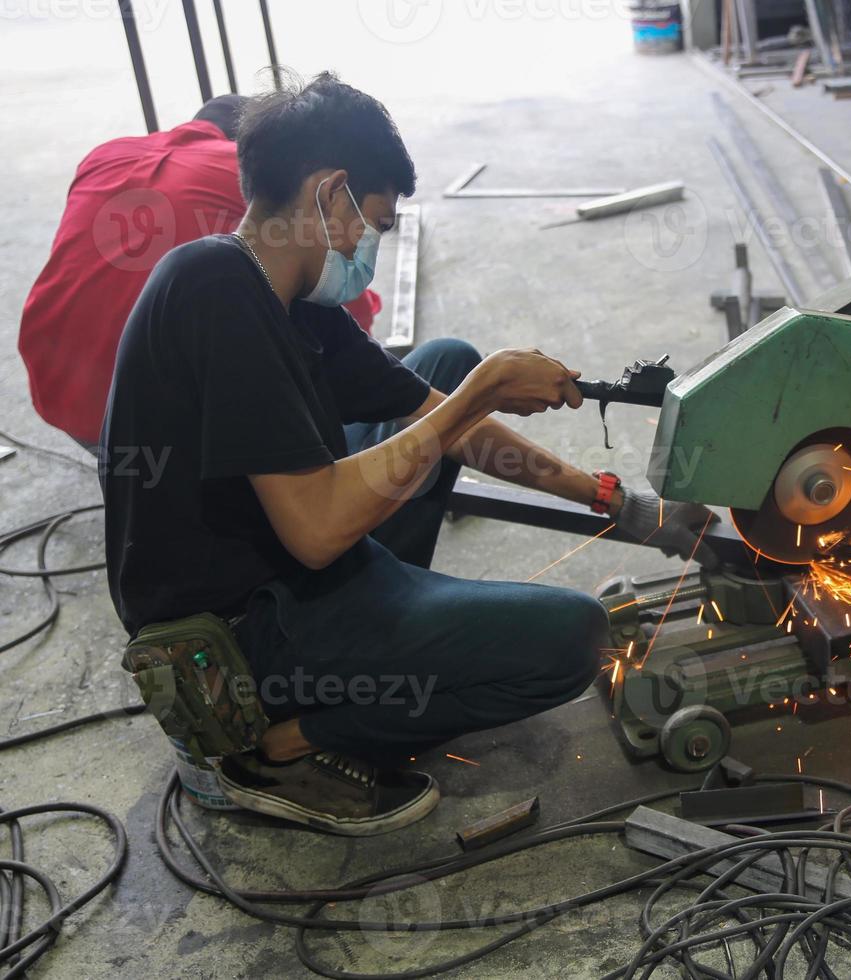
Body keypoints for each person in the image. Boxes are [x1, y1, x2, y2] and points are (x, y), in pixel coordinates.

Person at [101, 73, 715, 836]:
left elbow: (440, 417)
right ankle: (274, 748)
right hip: (234, 636)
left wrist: (618, 502)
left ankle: (394, 638)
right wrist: (483, 390)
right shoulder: (215, 293)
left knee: (445, 363)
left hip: (279, 560)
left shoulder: (289, 299)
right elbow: (319, 530)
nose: (366, 246)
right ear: (330, 195)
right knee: (574, 639)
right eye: (373, 223)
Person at [18, 95, 379, 451]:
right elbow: (342, 295)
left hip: (60, 389)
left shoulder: (105, 155)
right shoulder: (257, 173)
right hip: (158, 420)